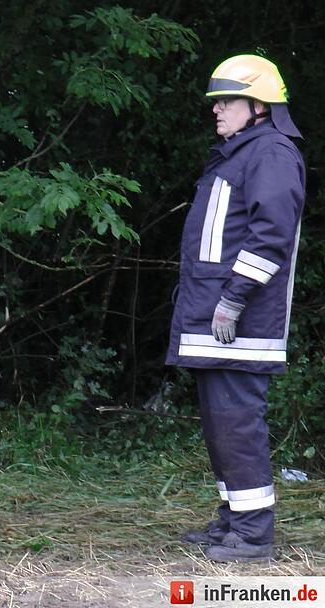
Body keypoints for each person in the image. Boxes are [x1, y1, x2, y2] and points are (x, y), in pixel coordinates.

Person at [166, 54, 305, 562]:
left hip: (241, 321)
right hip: (217, 318)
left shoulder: (269, 154)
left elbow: (271, 237)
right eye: (216, 102)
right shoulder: (239, 153)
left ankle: (253, 535)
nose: (216, 110)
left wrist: (232, 298)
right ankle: (234, 520)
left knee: (238, 424)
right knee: (221, 425)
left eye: (226, 101)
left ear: (259, 106)